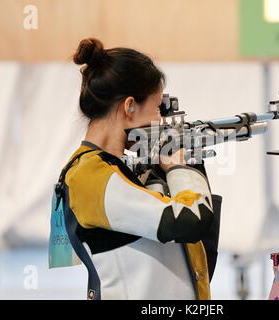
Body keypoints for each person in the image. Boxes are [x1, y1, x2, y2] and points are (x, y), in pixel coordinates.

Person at [54, 38, 221, 300]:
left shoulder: (116, 169)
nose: (160, 120)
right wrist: (178, 168)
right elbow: (189, 220)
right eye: (156, 108)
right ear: (129, 106)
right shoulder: (89, 176)